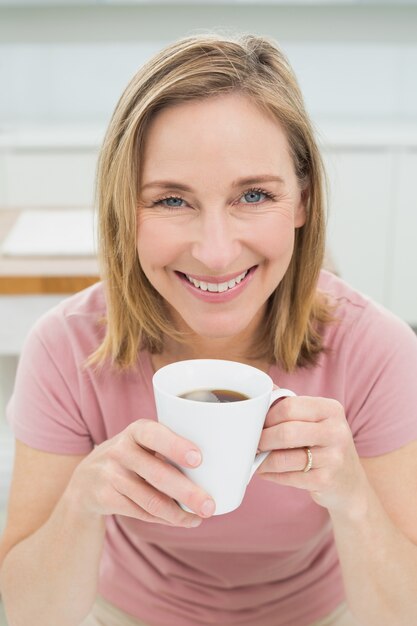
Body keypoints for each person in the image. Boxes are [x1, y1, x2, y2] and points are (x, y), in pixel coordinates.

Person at [1, 32, 417, 626]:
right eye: (172, 200)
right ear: (125, 208)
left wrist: (354, 500)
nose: (217, 253)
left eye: (254, 194)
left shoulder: (378, 350)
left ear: (302, 199)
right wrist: (81, 503)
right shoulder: (66, 346)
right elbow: (30, 614)